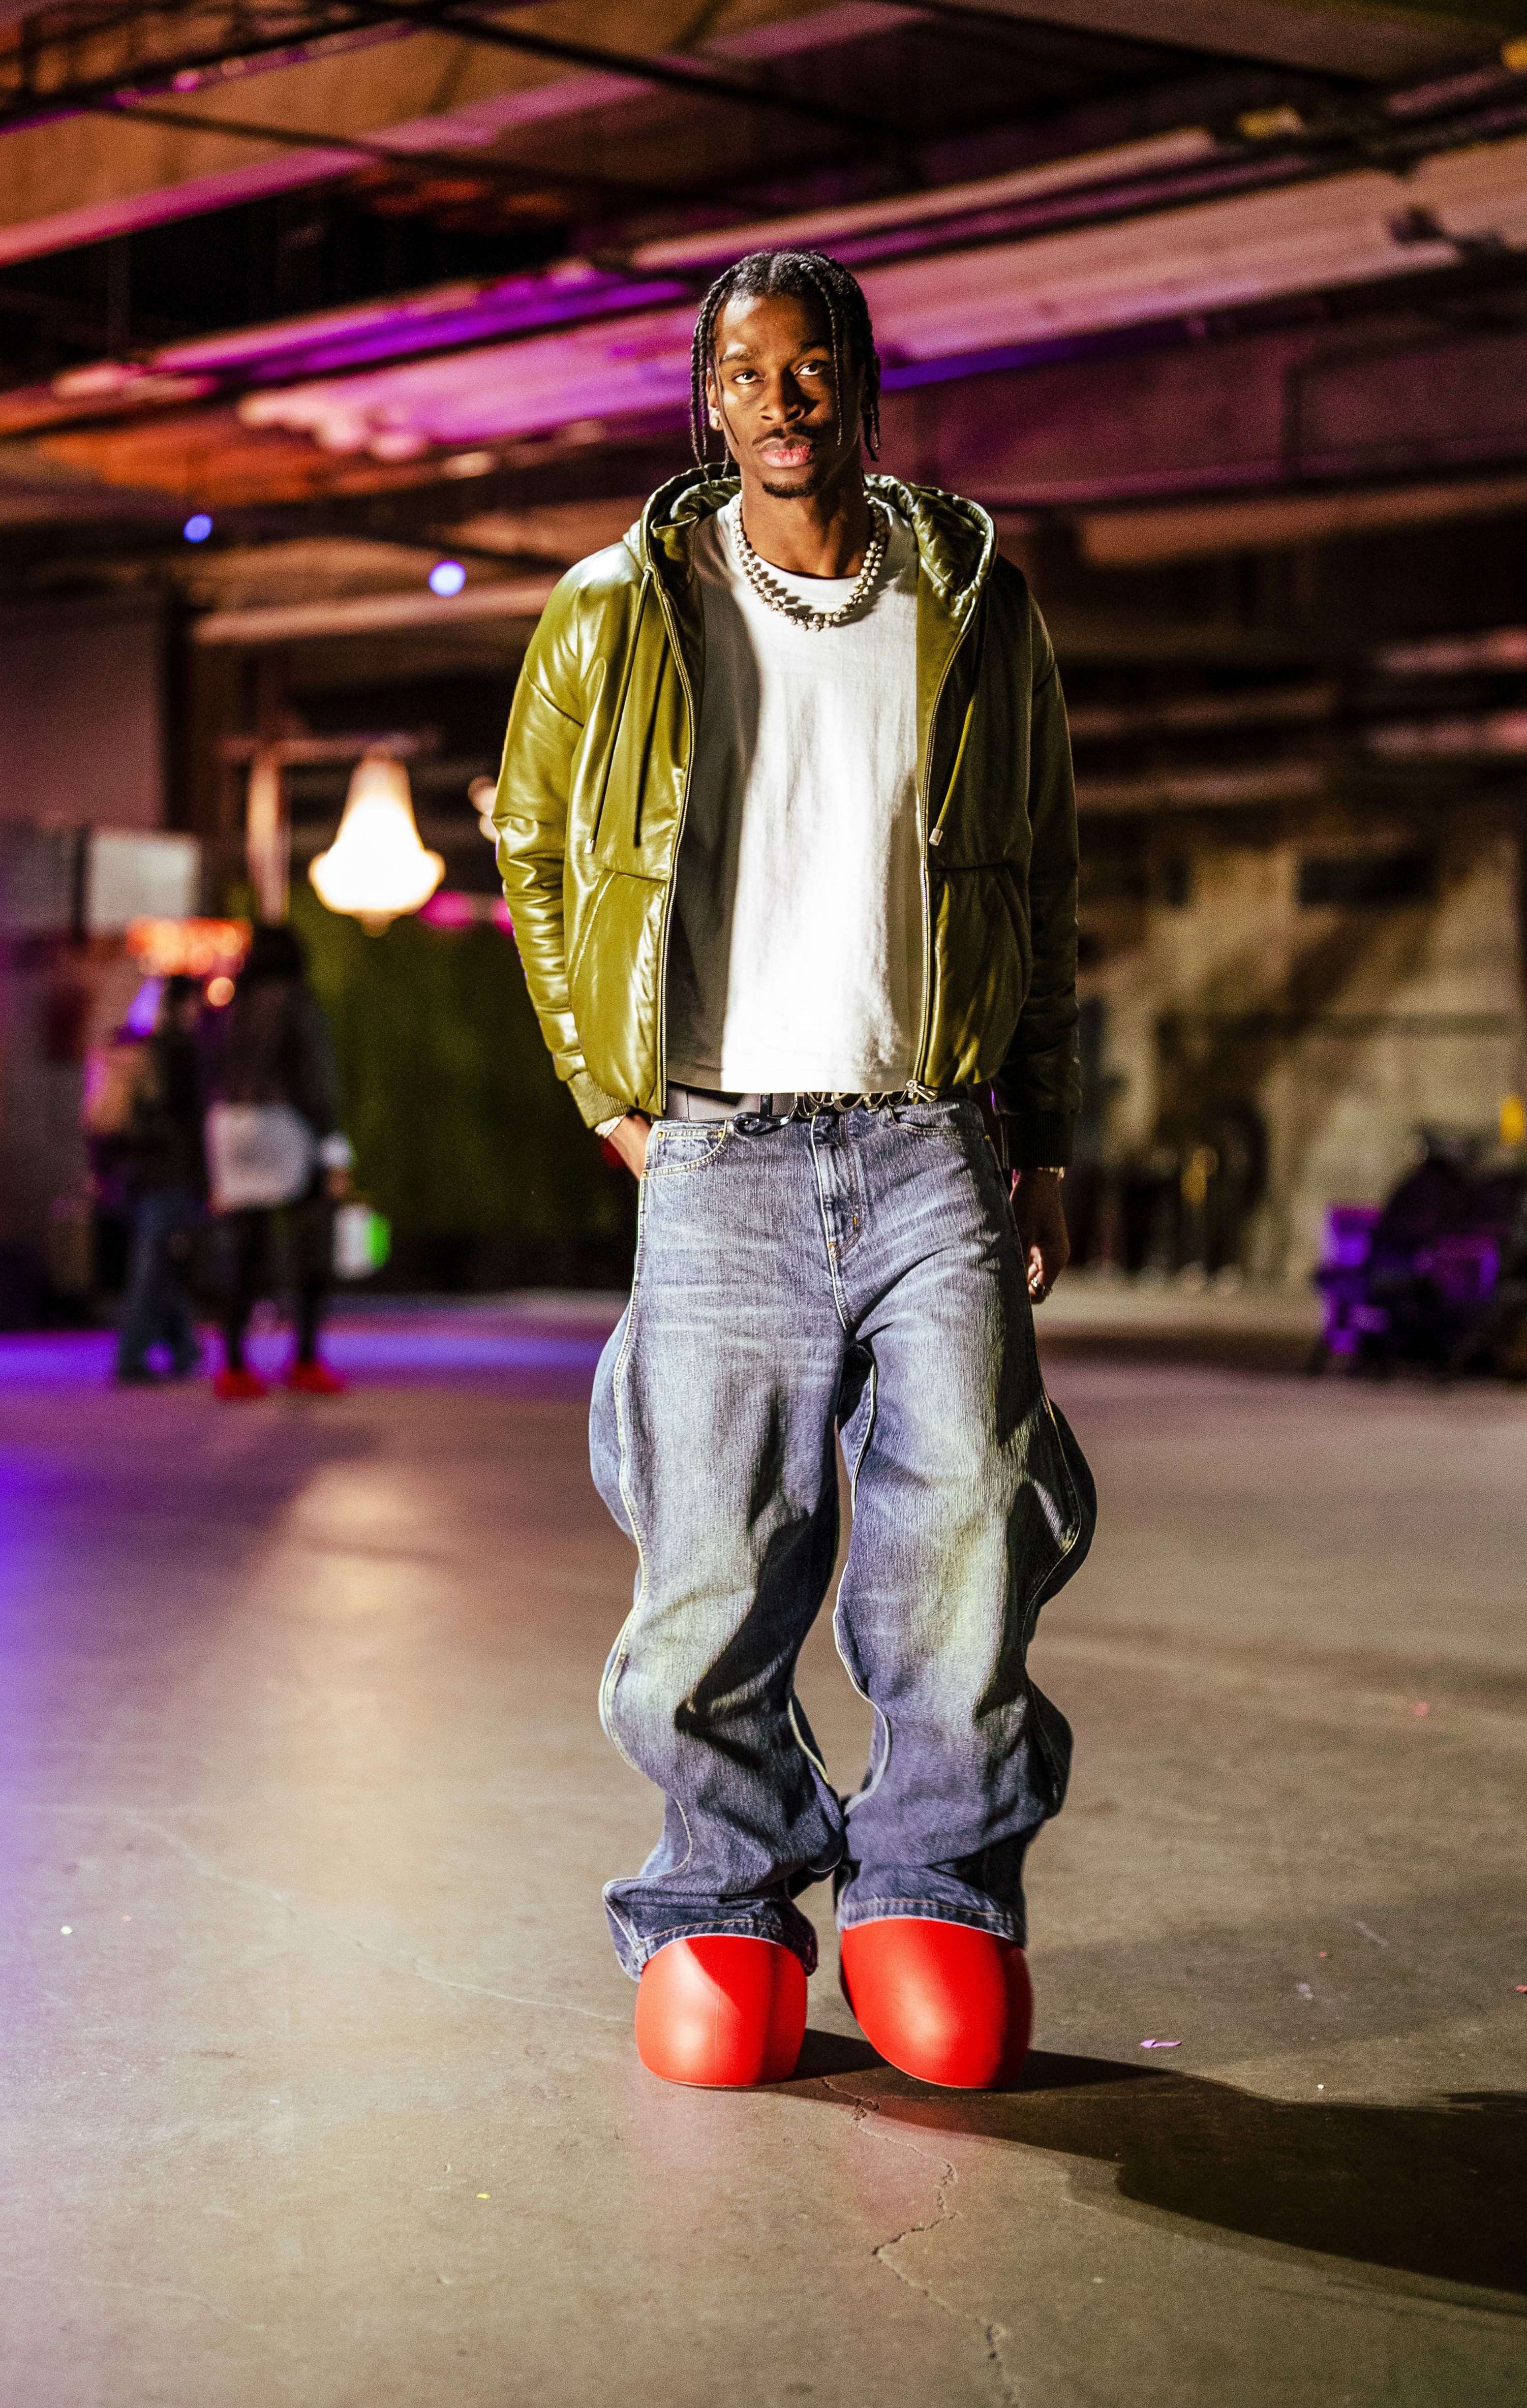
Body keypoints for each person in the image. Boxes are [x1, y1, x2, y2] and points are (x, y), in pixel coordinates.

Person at [494, 248, 1092, 2092]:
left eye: (809, 366)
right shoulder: (621, 604)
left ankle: (933, 1879)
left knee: (970, 1529)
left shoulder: (972, 604)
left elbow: (1045, 872)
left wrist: (1041, 1135)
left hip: (934, 1136)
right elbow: (531, 840)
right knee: (711, 1560)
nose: (777, 399)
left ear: (860, 383)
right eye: (743, 371)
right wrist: (612, 1091)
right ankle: (723, 1892)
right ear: (706, 396)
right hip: (719, 1142)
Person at [205, 923, 353, 1399]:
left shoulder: (235, 1003)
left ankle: (232, 1363)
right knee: (312, 1236)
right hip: (282, 1123)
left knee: (246, 1247)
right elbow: (310, 1072)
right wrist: (329, 1136)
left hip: (230, 1125)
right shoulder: (293, 999)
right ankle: (306, 1357)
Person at [94, 975, 207, 1385]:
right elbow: (194, 1124)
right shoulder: (182, 1051)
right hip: (169, 1171)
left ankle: (183, 1346)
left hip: (139, 1172)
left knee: (159, 1263)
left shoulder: (138, 1049)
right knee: (154, 1266)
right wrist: (207, 1179)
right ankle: (132, 1355)